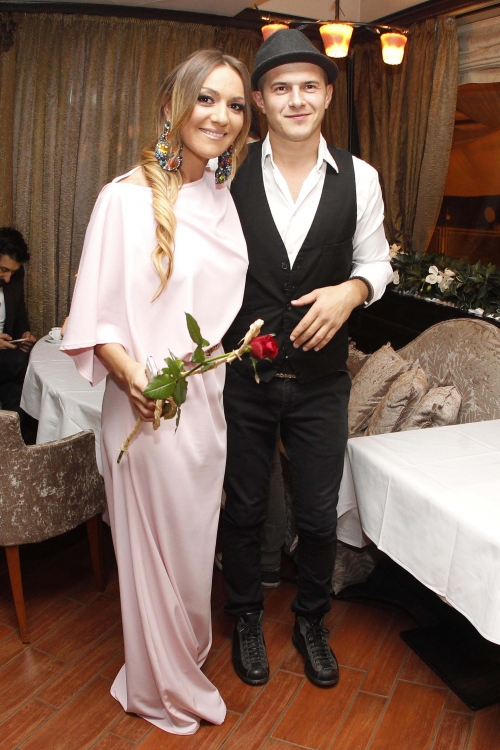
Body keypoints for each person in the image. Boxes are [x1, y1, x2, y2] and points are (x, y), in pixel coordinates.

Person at [61, 49, 251, 734]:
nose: (221, 116)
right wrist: (134, 378)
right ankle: (158, 683)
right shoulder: (123, 198)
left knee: (194, 552)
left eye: (235, 105)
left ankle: (182, 655)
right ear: (173, 105)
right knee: (151, 556)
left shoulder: (222, 200)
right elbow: (94, 314)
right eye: (207, 98)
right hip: (143, 405)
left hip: (206, 408)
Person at [221, 29, 393, 688]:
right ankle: (243, 615)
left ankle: (312, 620)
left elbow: (377, 262)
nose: (296, 99)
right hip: (242, 376)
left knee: (320, 517)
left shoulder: (361, 177)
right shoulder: (224, 170)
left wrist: (353, 290)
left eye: (309, 86)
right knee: (243, 510)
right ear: (260, 101)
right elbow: (175, 204)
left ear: (326, 96)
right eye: (281, 88)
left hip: (322, 382)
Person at [0, 227, 36, 418]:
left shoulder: (14, 274)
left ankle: (13, 435)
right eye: (3, 270)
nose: (8, 278)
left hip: (6, 353)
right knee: (25, 365)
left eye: (12, 272)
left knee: (17, 395)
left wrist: (24, 334)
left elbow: (19, 310)